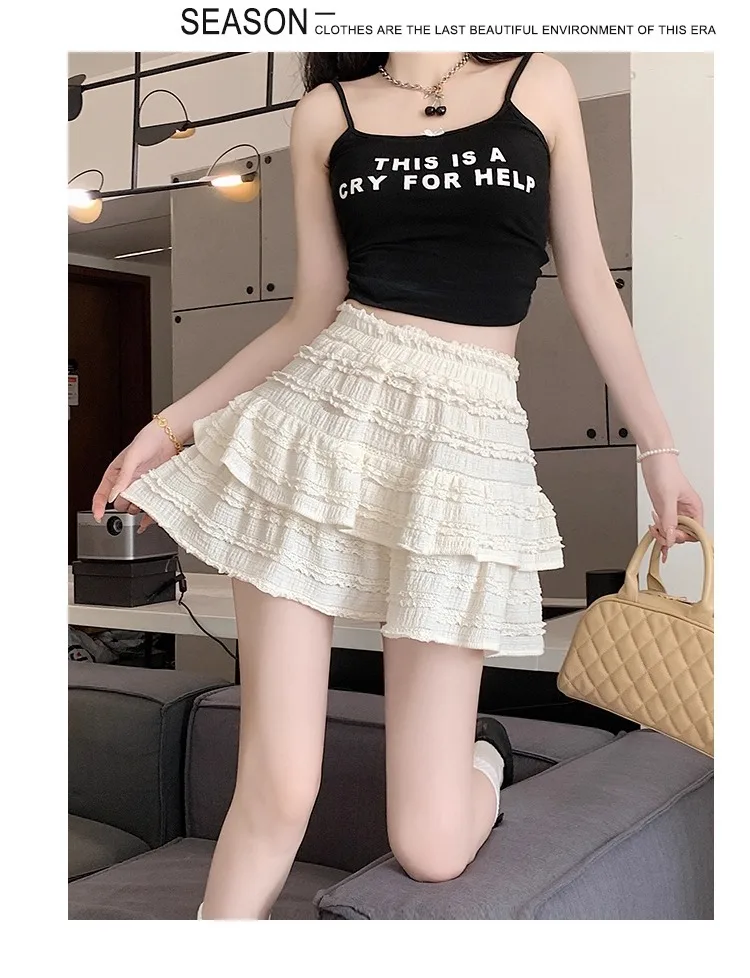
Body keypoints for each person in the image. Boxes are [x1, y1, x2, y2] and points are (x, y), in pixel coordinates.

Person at [92, 52, 704, 920]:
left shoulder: (538, 84)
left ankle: (483, 754)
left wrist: (659, 450)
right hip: (314, 436)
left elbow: (591, 282)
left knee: (431, 844)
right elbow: (311, 310)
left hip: (463, 448)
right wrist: (167, 428)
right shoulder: (326, 112)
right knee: (278, 786)